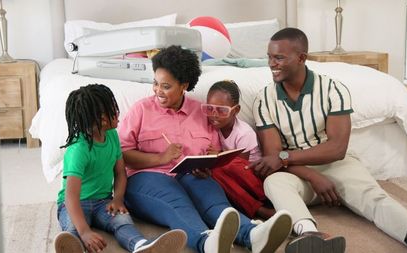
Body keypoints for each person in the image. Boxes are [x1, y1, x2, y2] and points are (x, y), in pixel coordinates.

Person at [250, 27, 407, 253]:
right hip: (297, 174)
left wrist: (285, 157)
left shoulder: (332, 89)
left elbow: (337, 149)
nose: (271, 63)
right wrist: (312, 175)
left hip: (336, 165)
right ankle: (310, 236)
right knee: (273, 183)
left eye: (279, 57)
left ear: (301, 58)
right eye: (269, 57)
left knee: (371, 195)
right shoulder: (264, 100)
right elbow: (273, 157)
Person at [118, 45, 293, 253]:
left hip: (190, 175)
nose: (157, 91)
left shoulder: (201, 112)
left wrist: (210, 161)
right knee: (177, 203)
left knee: (214, 201)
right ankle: (206, 242)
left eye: (166, 86)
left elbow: (214, 150)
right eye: (155, 83)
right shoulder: (141, 110)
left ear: (184, 85)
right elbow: (122, 155)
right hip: (147, 177)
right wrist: (160, 158)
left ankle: (253, 235)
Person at [54, 84, 187, 253]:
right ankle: (74, 247)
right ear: (103, 119)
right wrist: (85, 232)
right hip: (75, 204)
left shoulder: (112, 136)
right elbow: (70, 197)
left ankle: (141, 246)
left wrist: (118, 199)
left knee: (122, 221)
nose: (118, 114)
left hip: (103, 201)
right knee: (73, 229)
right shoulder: (78, 150)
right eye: (114, 110)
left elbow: (120, 173)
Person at [203, 80, 276, 219]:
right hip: (232, 179)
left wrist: (219, 155)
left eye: (222, 110)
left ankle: (263, 205)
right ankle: (258, 210)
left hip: (254, 179)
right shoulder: (212, 128)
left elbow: (241, 164)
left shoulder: (243, 132)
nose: (214, 115)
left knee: (225, 166)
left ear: (235, 110)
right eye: (209, 108)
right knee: (215, 172)